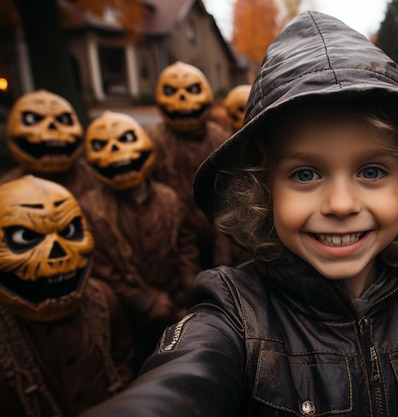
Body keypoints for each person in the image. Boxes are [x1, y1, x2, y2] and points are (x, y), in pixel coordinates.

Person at [80, 11, 398, 417]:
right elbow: (181, 382)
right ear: (262, 191)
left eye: (371, 171)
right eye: (305, 174)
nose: (341, 205)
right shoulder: (236, 317)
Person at [0, 175, 133, 417]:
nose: (58, 254)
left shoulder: (103, 300)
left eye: (69, 231)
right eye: (25, 237)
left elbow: (121, 356)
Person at [79, 111, 193, 374]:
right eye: (101, 145)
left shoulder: (168, 198)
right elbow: (101, 271)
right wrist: (145, 301)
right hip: (131, 317)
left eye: (126, 140)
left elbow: (185, 242)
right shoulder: (91, 209)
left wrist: (188, 280)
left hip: (175, 300)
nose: (116, 152)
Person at [144, 61, 230, 270]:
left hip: (215, 229)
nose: (182, 99)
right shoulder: (152, 140)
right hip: (175, 237)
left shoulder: (219, 138)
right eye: (171, 91)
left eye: (192, 90)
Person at [0, 89, 99, 198]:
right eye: (33, 119)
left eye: (64, 120)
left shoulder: (95, 179)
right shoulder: (8, 190)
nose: (52, 127)